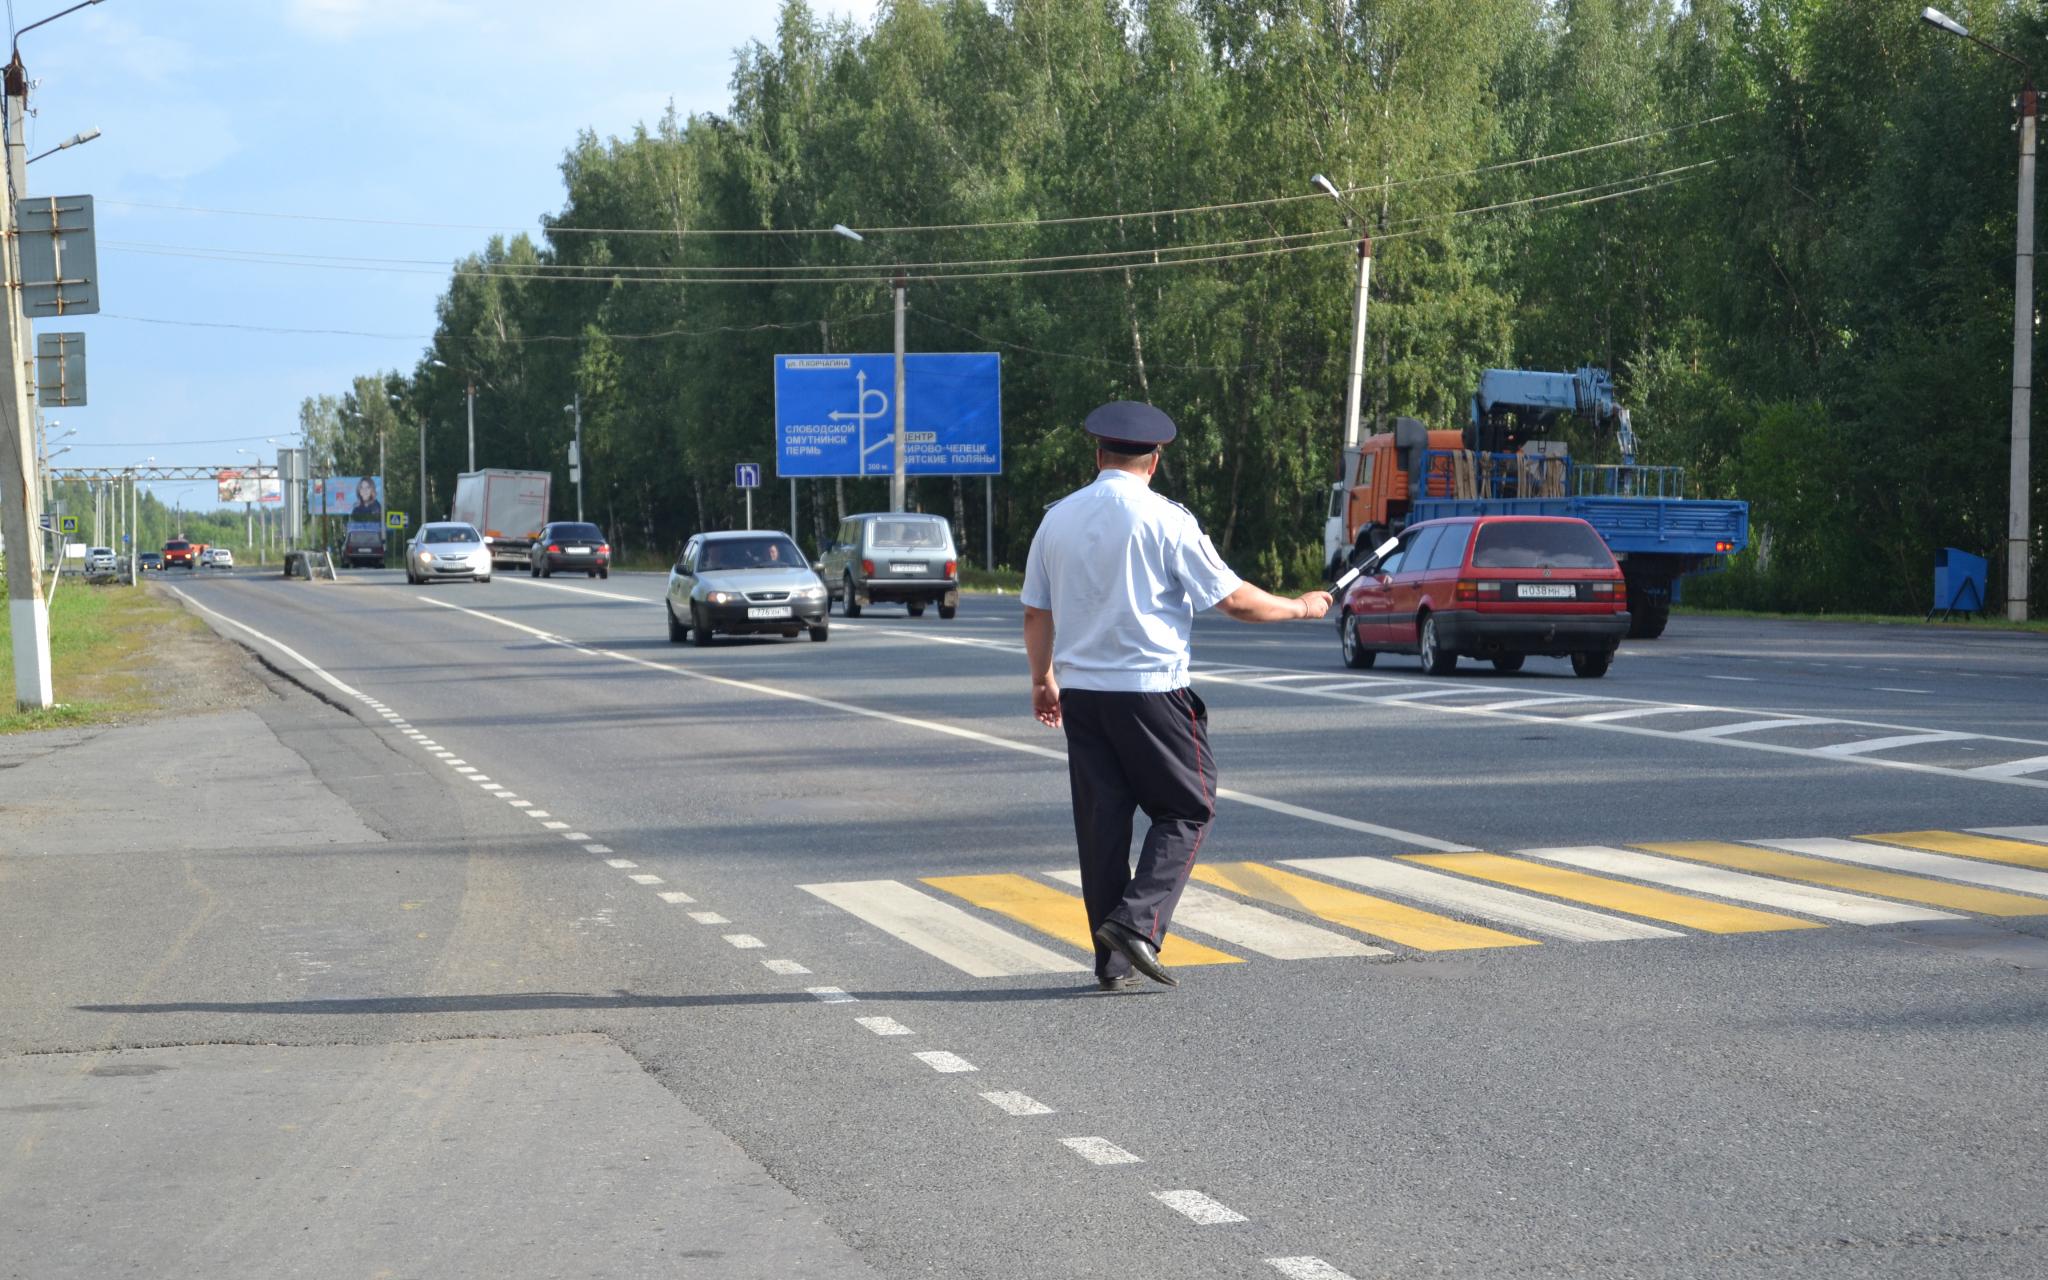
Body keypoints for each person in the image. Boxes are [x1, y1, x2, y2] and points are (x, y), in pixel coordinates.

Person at [1021, 401, 1332, 991]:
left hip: (1083, 695)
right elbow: (1233, 600)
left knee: (1102, 826)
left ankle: (1111, 963)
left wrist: (1043, 679)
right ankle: (1137, 924)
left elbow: (1037, 610)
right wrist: (1300, 605)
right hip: (1151, 693)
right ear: (1155, 460)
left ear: (1098, 455)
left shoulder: (1056, 519)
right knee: (1191, 805)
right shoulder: (1168, 521)